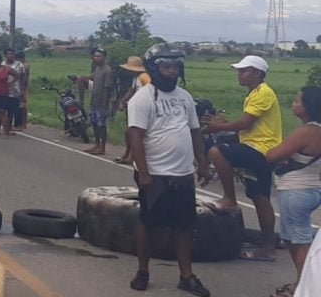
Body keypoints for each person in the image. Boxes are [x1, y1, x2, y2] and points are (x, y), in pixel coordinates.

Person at [125, 49, 211, 297]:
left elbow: (195, 131)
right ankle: (143, 271)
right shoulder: (142, 99)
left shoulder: (185, 97)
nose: (172, 71)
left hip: (183, 173)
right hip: (155, 174)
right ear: (154, 68)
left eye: (176, 66)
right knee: (148, 223)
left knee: (183, 226)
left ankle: (187, 276)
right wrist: (144, 173)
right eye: (166, 66)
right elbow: (136, 137)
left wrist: (202, 162)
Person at [202, 55, 282, 262]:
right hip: (258, 147)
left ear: (257, 73)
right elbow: (250, 125)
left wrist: (218, 126)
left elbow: (245, 123)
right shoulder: (255, 93)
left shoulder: (262, 93)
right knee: (259, 197)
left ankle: (229, 199)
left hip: (260, 149)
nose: (239, 74)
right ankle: (268, 246)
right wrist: (226, 124)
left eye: (244, 70)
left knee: (217, 151)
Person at [264, 86, 321, 296]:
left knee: (301, 242)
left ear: (308, 107)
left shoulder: (307, 132)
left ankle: (306, 287)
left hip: (296, 190)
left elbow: (272, 155)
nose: (294, 103)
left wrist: (281, 153)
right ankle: (300, 283)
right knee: (290, 238)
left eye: (298, 100)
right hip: (310, 188)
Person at [72, 48, 114, 155]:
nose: (96, 58)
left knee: (101, 125)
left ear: (104, 57)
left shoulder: (107, 70)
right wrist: (80, 77)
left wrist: (104, 104)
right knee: (95, 123)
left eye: (99, 56)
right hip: (94, 101)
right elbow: (93, 79)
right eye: (95, 56)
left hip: (102, 103)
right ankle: (97, 144)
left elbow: (107, 88)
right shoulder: (97, 69)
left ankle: (102, 147)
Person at [115, 56, 152, 165]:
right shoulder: (136, 77)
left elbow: (149, 91)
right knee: (129, 132)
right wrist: (123, 101)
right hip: (134, 106)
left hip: (142, 107)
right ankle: (128, 153)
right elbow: (132, 90)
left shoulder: (144, 76)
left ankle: (132, 155)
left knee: (133, 132)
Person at [5, 49, 28, 133]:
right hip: (4, 90)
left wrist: (22, 89)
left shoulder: (20, 65)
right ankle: (7, 126)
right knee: (4, 109)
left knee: (16, 109)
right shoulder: (2, 64)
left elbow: (23, 77)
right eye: (8, 54)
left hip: (16, 90)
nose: (10, 55)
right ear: (5, 55)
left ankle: (16, 125)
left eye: (12, 54)